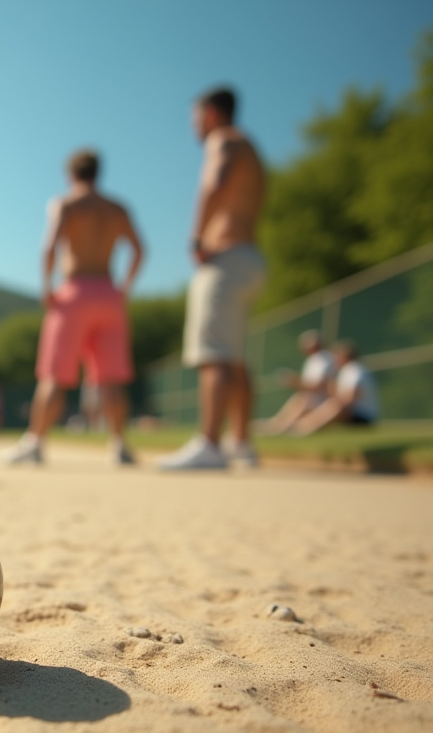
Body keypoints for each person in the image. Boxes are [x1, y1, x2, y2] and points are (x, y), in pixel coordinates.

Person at [0, 148, 143, 466]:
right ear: (97, 172)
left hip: (75, 294)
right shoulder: (117, 208)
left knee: (53, 374)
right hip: (109, 294)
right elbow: (139, 249)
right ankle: (119, 445)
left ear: (70, 175)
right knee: (110, 379)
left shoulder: (64, 203)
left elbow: (50, 246)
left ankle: (35, 444)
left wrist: (47, 286)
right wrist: (124, 289)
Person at [159, 87, 266, 471]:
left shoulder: (223, 140)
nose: (193, 125)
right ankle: (241, 443)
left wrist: (197, 236)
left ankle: (209, 444)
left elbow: (215, 181)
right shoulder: (250, 147)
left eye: (194, 117)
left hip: (225, 258)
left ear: (210, 113)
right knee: (234, 357)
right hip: (250, 257)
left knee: (215, 356)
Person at [290, 341, 379, 435]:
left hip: (363, 417)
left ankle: (306, 429)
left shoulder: (355, 370)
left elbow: (349, 399)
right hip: (356, 414)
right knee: (332, 404)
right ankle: (303, 427)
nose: (335, 360)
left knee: (336, 406)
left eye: (337, 357)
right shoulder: (348, 371)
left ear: (346, 357)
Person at [262, 330, 337, 435]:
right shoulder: (313, 360)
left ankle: (283, 428)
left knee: (305, 400)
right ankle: (277, 424)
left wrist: (294, 381)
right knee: (299, 398)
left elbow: (317, 386)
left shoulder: (325, 359)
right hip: (312, 397)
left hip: (323, 399)